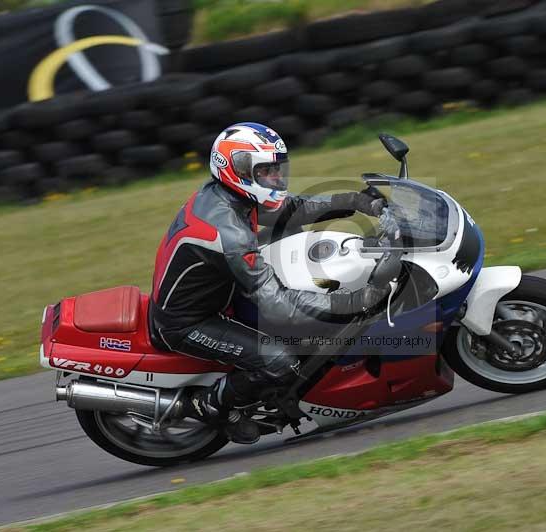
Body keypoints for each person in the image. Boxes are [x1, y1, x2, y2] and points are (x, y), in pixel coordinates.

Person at [149, 122, 396, 443]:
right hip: (188, 321)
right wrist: (356, 301)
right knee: (279, 361)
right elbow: (279, 307)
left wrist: (358, 201)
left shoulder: (230, 196)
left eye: (276, 169)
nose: (275, 178)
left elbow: (293, 208)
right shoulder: (228, 232)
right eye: (265, 171)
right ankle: (209, 406)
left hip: (220, 292)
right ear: (235, 168)